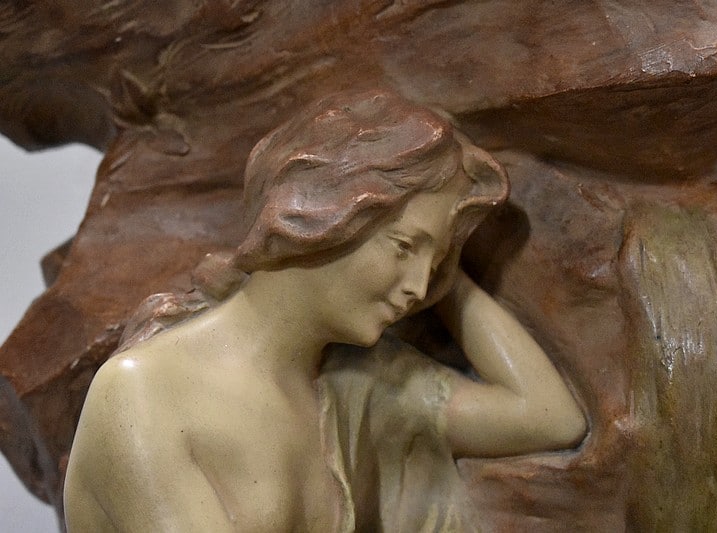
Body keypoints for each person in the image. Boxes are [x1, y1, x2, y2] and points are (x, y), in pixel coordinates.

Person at [63, 89, 586, 532]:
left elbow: (547, 417)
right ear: (325, 211)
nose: (420, 286)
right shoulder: (144, 393)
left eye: (435, 264)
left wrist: (449, 275)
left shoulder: (355, 388)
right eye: (404, 247)